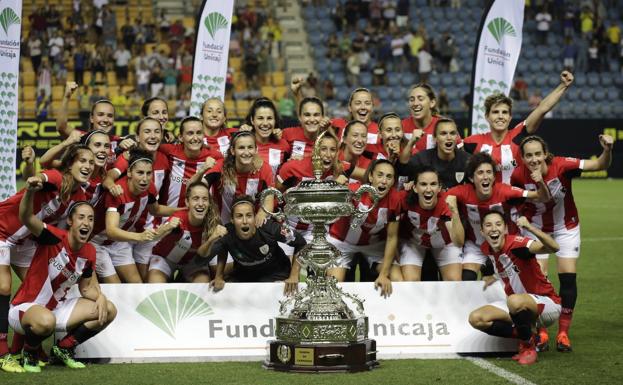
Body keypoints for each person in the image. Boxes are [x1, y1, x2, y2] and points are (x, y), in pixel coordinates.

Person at [511, 134, 614, 352]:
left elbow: (599, 164)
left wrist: (607, 150)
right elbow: (541, 199)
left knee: (568, 277)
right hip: (536, 229)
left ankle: (563, 333)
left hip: (566, 227)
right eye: (528, 155)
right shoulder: (518, 176)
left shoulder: (563, 165)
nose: (534, 159)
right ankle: (542, 330)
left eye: (538, 154)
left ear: (546, 154)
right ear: (522, 158)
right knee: (538, 279)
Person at [0, 145, 94, 373]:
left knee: (38, 293)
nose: (88, 166)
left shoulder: (80, 197)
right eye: (82, 160)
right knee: (3, 287)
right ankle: (2, 352)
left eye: (91, 163)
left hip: (25, 242)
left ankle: (20, 351)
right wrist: (31, 166)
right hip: (2, 231)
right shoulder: (57, 178)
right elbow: (33, 179)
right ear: (70, 163)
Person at [10, 190, 116, 373]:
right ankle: (29, 352)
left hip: (56, 310)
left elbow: (86, 288)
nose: (87, 223)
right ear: (70, 221)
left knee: (108, 309)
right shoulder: (52, 237)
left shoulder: (89, 252)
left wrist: (100, 297)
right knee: (45, 321)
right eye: (81, 217)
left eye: (90, 219)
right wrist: (29, 191)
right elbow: (26, 217)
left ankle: (64, 348)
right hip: (24, 308)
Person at [468, 211, 560, 366]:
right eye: (488, 225)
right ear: (482, 231)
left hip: (547, 304)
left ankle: (528, 347)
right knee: (476, 318)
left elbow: (554, 247)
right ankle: (531, 337)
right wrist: (491, 277)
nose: (494, 229)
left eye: (498, 224)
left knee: (513, 300)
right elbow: (504, 267)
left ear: (505, 229)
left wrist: (530, 227)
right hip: (516, 305)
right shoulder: (486, 249)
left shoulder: (517, 244)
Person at [446, 152, 550, 280]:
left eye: (489, 172)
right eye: (480, 173)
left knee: (514, 280)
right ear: (472, 178)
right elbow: (439, 197)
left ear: (494, 177)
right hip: (476, 245)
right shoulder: (461, 192)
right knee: (467, 278)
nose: (485, 177)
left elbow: (542, 197)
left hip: (505, 245)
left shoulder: (505, 191)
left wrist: (540, 182)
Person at [463, 71, 574, 184]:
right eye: (495, 112)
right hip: (487, 201)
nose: (500, 116)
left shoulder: (519, 134)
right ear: (487, 116)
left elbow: (542, 108)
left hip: (518, 200)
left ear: (510, 117)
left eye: (505, 112)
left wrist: (563, 85)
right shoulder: (472, 142)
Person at [90, 149, 180, 283]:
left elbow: (156, 209)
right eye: (140, 173)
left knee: (137, 285)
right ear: (130, 172)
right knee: (115, 286)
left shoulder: (149, 188)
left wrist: (183, 210)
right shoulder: (117, 192)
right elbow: (111, 231)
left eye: (148, 173)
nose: (145, 178)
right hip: (96, 243)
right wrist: (140, 236)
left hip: (117, 243)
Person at [327, 160, 403, 296]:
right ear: (370, 177)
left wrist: (384, 274)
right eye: (380, 175)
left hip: (373, 245)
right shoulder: (354, 192)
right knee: (334, 283)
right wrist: (335, 189)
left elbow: (392, 237)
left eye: (389, 177)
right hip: (341, 242)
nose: (384, 181)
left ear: (393, 182)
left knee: (397, 279)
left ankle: (388, 316)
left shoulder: (395, 200)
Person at [208, 195, 303, 294]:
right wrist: (218, 276)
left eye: (249, 215)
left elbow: (301, 243)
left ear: (255, 217)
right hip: (245, 275)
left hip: (275, 273)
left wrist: (294, 275)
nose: (245, 221)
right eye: (239, 216)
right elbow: (223, 248)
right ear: (232, 220)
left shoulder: (270, 228)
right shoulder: (227, 232)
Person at [148, 182, 227, 283]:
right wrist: (166, 227)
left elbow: (203, 255)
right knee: (155, 287)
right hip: (165, 259)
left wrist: (211, 239)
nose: (201, 203)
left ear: (209, 203)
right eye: (195, 198)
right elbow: (154, 238)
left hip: (192, 263)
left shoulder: (212, 222)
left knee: (202, 287)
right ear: (187, 202)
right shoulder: (178, 218)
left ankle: (181, 277)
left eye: (205, 199)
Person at [277, 131, 349, 240]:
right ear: (315, 150)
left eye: (333, 150)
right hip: (288, 224)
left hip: (316, 228)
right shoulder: (292, 167)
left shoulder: (340, 170)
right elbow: (275, 195)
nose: (328, 154)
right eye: (323, 149)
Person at [399, 168, 463, 281]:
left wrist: (455, 211)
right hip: (414, 243)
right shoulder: (403, 199)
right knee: (410, 283)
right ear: (414, 187)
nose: (428, 189)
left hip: (444, 244)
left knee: (454, 282)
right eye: (423, 184)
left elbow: (458, 242)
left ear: (439, 188)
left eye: (433, 184)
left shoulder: (446, 202)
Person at [201, 131, 274, 226]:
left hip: (250, 227)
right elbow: (199, 187)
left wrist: (261, 214)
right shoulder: (220, 167)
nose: (246, 152)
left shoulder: (264, 169)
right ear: (232, 150)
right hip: (222, 226)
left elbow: (269, 200)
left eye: (250, 147)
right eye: (241, 148)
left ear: (256, 149)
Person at [399, 118, 471, 190]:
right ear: (434, 138)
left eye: (452, 133)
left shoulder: (467, 160)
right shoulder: (422, 159)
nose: (449, 137)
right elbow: (402, 167)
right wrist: (411, 142)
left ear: (457, 137)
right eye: (443, 133)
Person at [243, 98, 290, 177]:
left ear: (275, 120)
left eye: (269, 118)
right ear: (252, 120)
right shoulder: (242, 143)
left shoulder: (283, 145)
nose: (265, 123)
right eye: (260, 118)